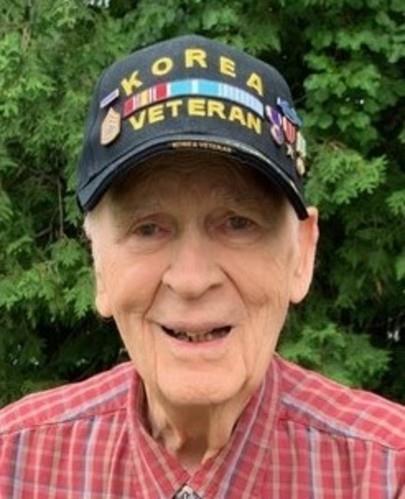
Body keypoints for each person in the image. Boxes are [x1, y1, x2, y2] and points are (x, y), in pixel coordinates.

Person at [0, 34, 403, 498]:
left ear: (302, 254)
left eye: (238, 223)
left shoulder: (388, 475)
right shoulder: (13, 466)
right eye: (148, 229)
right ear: (100, 266)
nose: (191, 280)